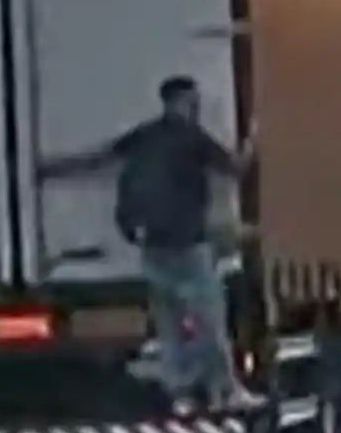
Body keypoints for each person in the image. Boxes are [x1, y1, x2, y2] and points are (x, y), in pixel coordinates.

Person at [39, 75, 260, 414]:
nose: (196, 107)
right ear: (182, 101)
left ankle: (180, 395)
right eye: (193, 101)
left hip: (153, 247)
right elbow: (235, 168)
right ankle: (223, 390)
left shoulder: (146, 134)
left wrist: (53, 168)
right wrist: (253, 140)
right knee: (209, 321)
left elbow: (101, 156)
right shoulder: (192, 137)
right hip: (188, 244)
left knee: (170, 326)